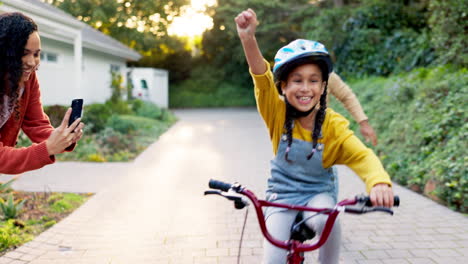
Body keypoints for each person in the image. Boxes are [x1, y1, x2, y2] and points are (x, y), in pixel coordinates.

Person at [235, 9, 394, 264]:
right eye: (296, 80)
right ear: (283, 86)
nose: (305, 88)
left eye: (313, 80)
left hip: (317, 192)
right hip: (281, 195)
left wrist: (378, 182)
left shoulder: (333, 126)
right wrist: (248, 38)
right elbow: (261, 77)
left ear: (323, 87)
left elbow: (361, 155)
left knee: (327, 217)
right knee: (273, 259)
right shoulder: (275, 113)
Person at [0, 12, 85, 175]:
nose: (32, 62)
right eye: (24, 53)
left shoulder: (28, 80)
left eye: (36, 54)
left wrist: (61, 137)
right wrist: (46, 149)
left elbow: (35, 123)